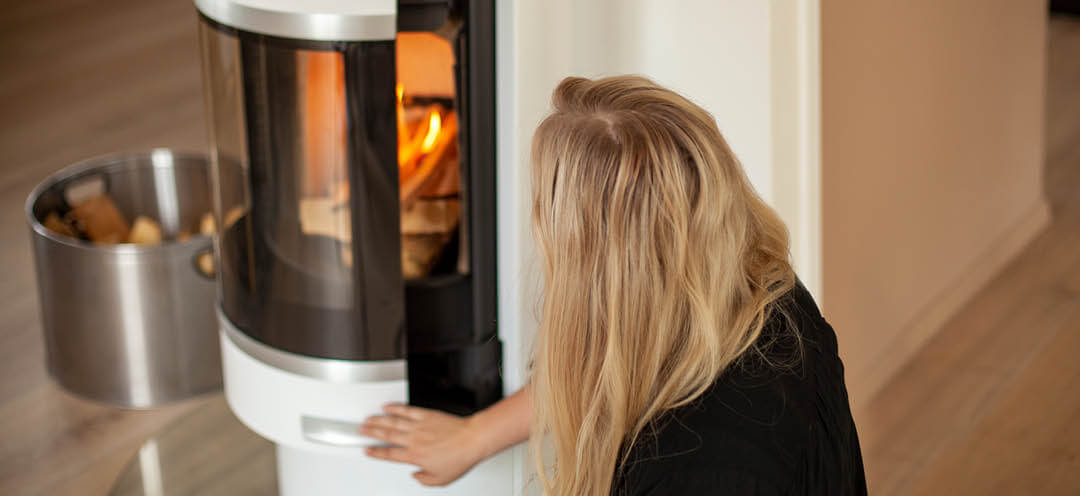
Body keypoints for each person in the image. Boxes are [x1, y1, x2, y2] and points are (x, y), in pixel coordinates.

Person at [360, 75, 867, 495]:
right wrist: (475, 436)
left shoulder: (700, 467)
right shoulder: (761, 291)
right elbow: (622, 351)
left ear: (597, 267)